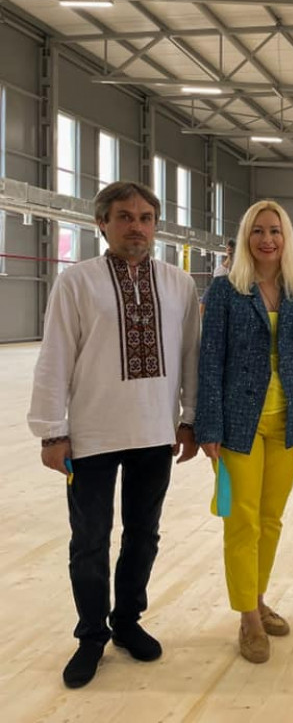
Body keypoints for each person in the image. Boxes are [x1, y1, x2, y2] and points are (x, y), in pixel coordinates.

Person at [27, 181, 200, 689]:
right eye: (124, 217)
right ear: (102, 223)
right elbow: (55, 356)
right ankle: (91, 635)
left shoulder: (179, 284)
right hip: (91, 437)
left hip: (155, 433)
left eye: (145, 218)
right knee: (89, 541)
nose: (136, 227)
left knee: (143, 536)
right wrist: (51, 432)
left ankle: (126, 621)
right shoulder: (76, 282)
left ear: (156, 226)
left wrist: (189, 418)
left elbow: (191, 355)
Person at [196, 201, 293, 664]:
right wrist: (208, 424)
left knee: (270, 520)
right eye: (257, 231)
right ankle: (248, 617)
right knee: (242, 521)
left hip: (286, 423)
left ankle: (257, 597)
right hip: (238, 425)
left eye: (274, 231)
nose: (266, 239)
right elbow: (209, 360)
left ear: (286, 238)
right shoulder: (225, 290)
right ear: (244, 238)